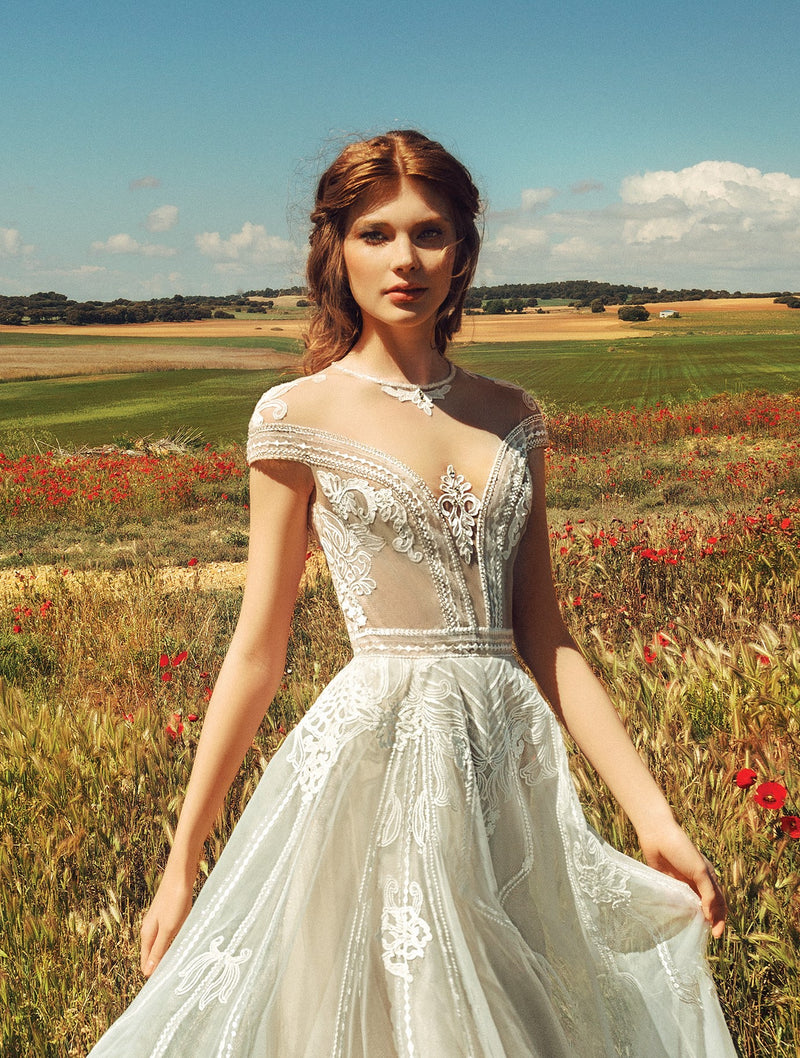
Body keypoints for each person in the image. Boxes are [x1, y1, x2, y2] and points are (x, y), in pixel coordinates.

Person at [89, 130, 736, 1057]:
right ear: (335, 250)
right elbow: (255, 650)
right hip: (374, 762)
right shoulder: (293, 415)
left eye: (429, 234)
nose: (404, 260)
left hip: (508, 766)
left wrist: (653, 816)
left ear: (464, 251)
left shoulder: (514, 416)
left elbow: (547, 638)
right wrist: (183, 856)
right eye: (375, 234)